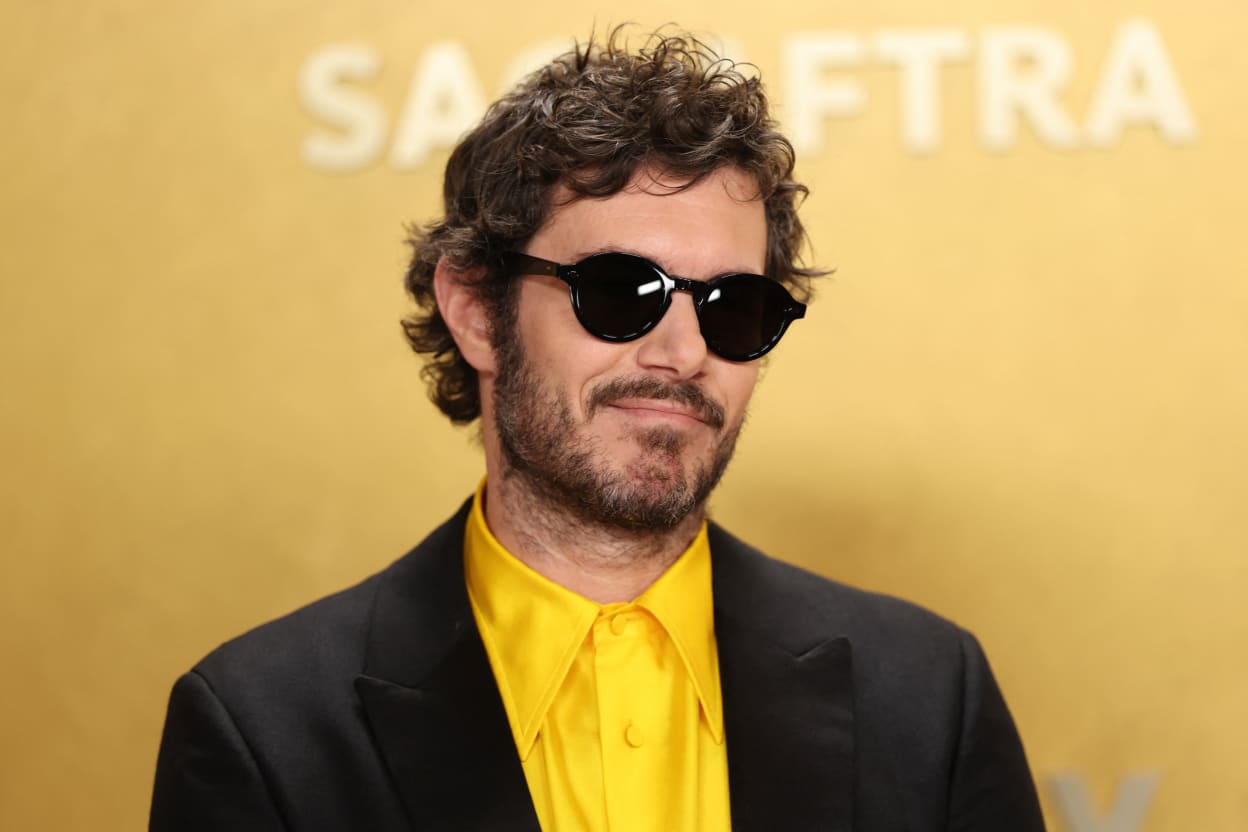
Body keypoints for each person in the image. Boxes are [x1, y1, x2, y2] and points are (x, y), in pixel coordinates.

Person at [150, 28, 1045, 831]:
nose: (684, 352)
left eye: (735, 307)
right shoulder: (264, 727)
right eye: (620, 291)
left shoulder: (930, 696)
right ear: (472, 309)